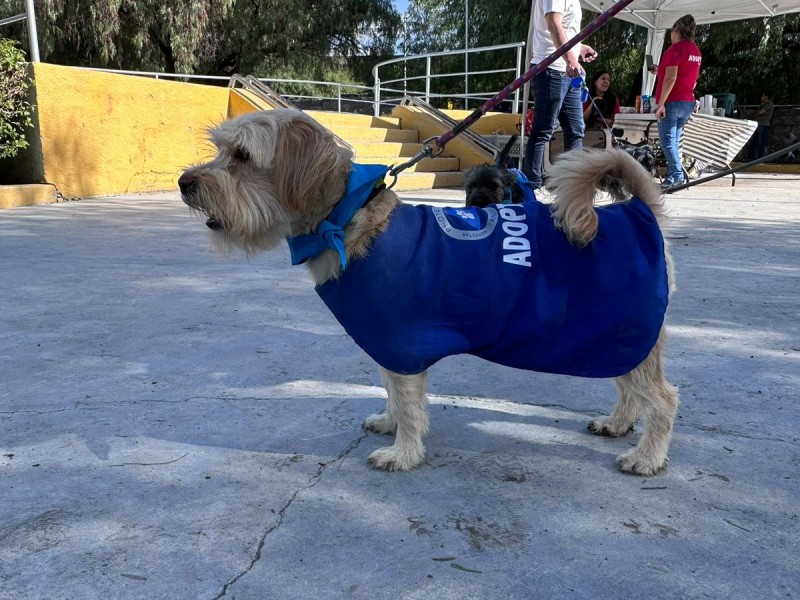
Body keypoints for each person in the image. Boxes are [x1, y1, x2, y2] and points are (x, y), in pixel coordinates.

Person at [523, 0, 597, 191]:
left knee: (575, 129)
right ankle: (532, 187)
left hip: (567, 71)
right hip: (551, 69)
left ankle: (572, 184)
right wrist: (571, 59)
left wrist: (579, 49)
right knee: (543, 129)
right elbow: (553, 24)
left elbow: (564, 30)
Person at [654, 14, 702, 190]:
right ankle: (672, 176)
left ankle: (676, 176)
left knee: (668, 141)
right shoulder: (696, 51)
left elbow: (670, 78)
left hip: (672, 101)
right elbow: (690, 77)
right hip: (687, 101)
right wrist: (659, 70)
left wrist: (661, 104)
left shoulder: (675, 50)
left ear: (676, 30)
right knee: (675, 141)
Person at [748, 91, 774, 160]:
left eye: (763, 96)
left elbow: (760, 112)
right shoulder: (763, 105)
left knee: (761, 143)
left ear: (766, 97)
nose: (761, 97)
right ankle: (751, 158)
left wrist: (758, 113)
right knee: (753, 142)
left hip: (763, 125)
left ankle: (760, 159)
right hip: (758, 124)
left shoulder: (769, 104)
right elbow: (757, 113)